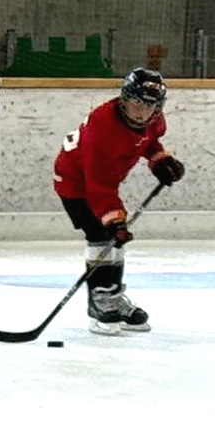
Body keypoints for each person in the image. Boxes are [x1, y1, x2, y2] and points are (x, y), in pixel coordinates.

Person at [52, 66, 184, 334]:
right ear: (125, 98)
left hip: (101, 184)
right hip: (75, 184)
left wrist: (160, 159)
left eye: (150, 106)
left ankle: (112, 297)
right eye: (137, 102)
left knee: (116, 240)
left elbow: (147, 141)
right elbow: (97, 186)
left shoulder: (153, 120)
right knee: (102, 236)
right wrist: (115, 221)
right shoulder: (103, 129)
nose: (142, 112)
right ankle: (100, 302)